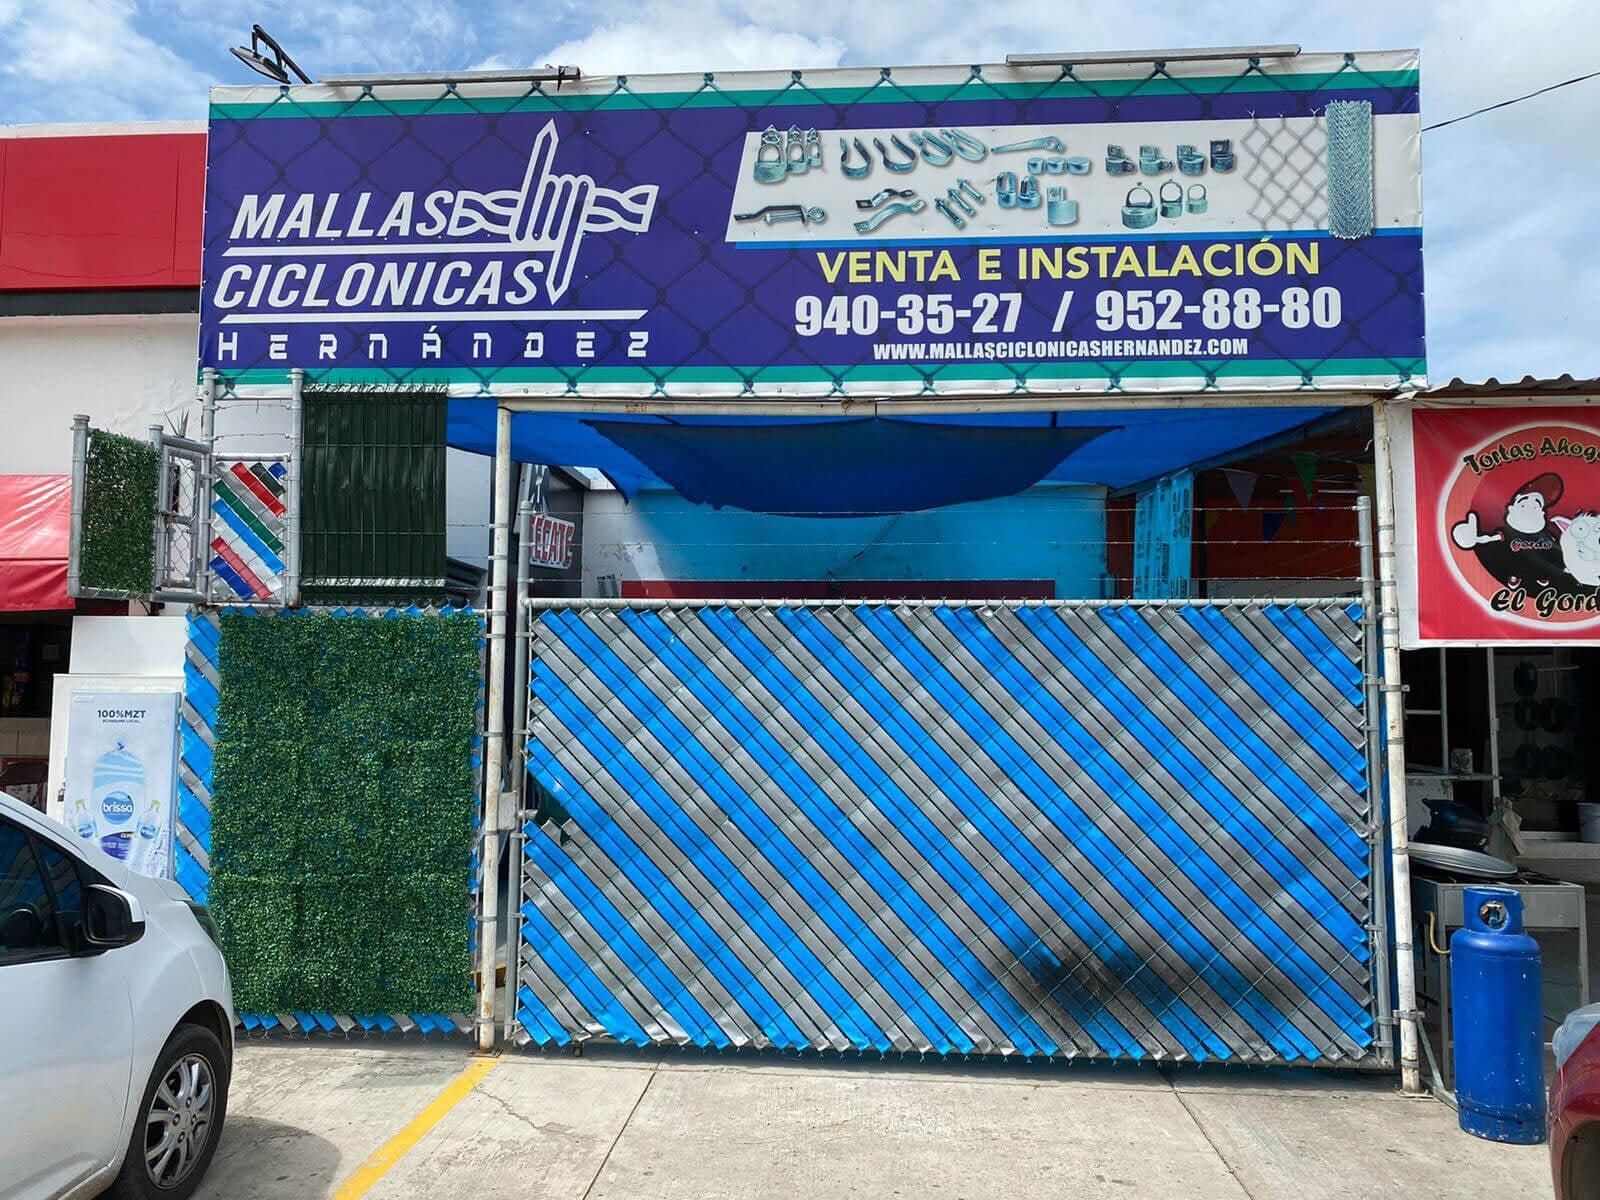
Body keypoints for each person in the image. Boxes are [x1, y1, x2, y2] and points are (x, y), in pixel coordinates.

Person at [1451, 472, 1566, 590]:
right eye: (1523, 506)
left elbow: (1555, 544)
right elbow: (1491, 538)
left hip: (1538, 563)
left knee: (1541, 565)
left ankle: (1542, 575)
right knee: (1513, 564)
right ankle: (1515, 576)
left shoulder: (1544, 533)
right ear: (1512, 508)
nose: (1528, 510)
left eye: (1534, 507)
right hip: (1515, 562)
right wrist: (1477, 539)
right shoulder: (1507, 532)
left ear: (1541, 513)